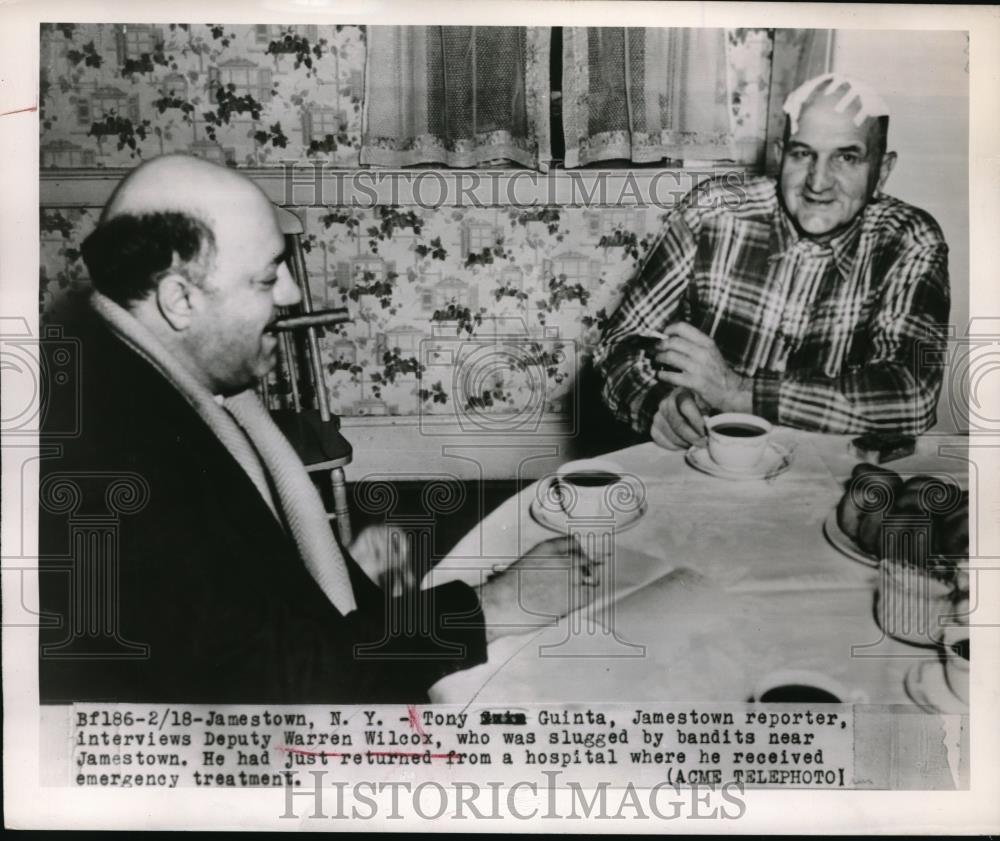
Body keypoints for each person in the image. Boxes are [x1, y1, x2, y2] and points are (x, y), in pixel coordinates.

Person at [39, 154, 594, 704]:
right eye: (264, 279)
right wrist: (492, 606)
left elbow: (230, 584)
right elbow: (285, 686)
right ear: (179, 300)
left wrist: (342, 573)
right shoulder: (109, 465)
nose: (290, 295)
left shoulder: (121, 362)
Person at [594, 73, 950, 449]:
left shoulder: (909, 240)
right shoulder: (713, 212)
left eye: (846, 157)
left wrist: (739, 393)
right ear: (781, 157)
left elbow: (911, 397)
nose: (818, 181)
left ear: (883, 171)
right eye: (802, 153)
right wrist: (656, 404)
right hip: (704, 464)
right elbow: (617, 346)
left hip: (827, 479)